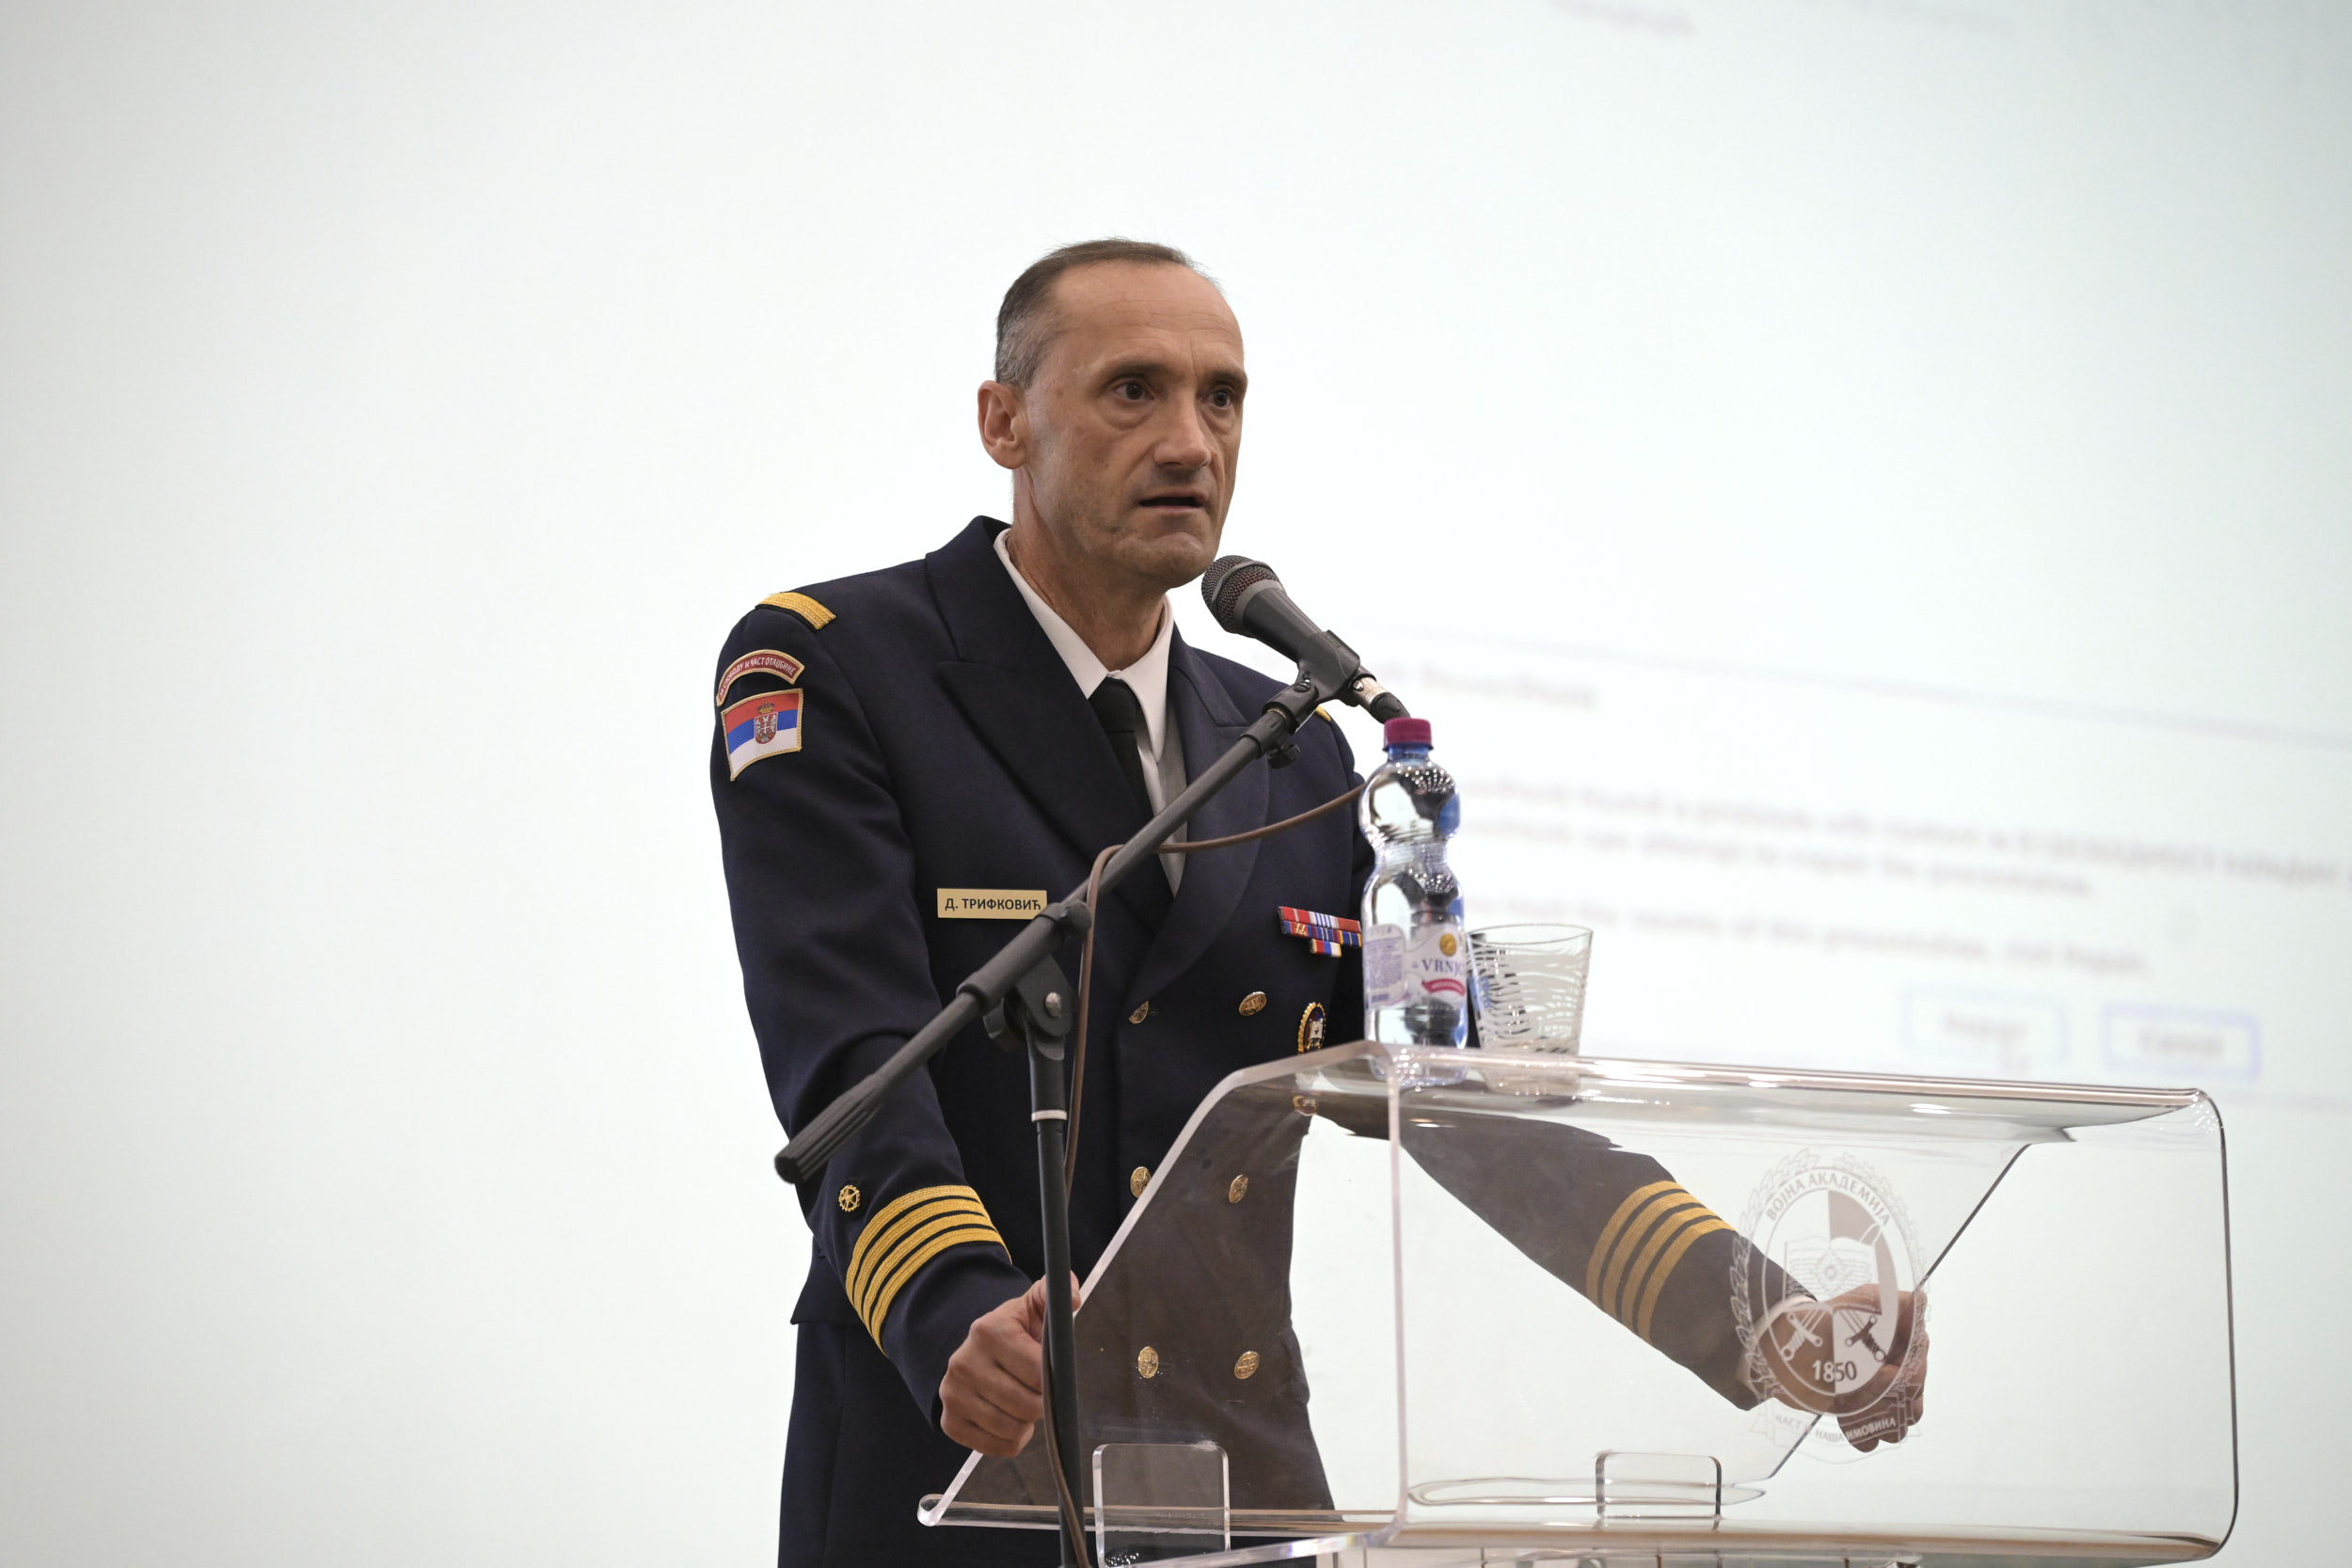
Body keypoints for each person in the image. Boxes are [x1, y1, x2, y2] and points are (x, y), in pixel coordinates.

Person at [711, 240, 1922, 1568]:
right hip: (964, 1453)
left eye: (1221, 397)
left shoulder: (1292, 746)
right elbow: (856, 1060)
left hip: (1232, 1481)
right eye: (1133, 390)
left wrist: (1755, 1310)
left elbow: (1449, 1107)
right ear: (1005, 423)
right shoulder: (837, 666)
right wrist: (950, 1304)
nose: (1191, 441)